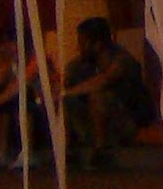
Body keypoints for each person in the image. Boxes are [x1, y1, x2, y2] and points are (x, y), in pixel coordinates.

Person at [61, 17, 154, 169]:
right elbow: (67, 88)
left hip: (124, 123)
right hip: (90, 122)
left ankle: (101, 151)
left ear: (97, 44)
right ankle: (68, 150)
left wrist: (68, 92)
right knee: (64, 101)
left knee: (98, 97)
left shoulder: (122, 60)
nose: (79, 48)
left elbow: (103, 81)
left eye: (82, 43)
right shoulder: (78, 66)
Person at [0, 25, 43, 169]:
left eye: (8, 43)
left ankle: (27, 151)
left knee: (21, 95)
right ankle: (1, 151)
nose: (3, 48)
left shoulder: (36, 60)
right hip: (19, 108)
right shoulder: (9, 66)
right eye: (2, 44)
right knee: (0, 94)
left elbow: (19, 85)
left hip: (42, 108)